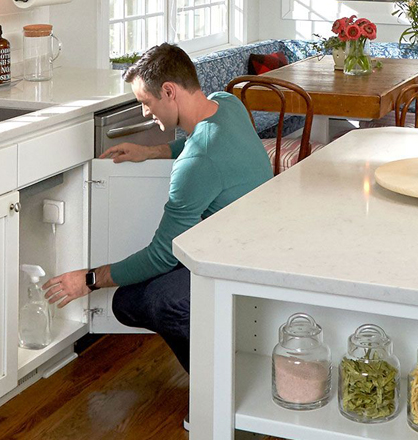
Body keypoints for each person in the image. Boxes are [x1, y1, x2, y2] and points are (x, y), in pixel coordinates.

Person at [43, 43, 273, 374]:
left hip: (240, 266)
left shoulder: (196, 163)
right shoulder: (227, 104)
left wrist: (89, 279)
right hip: (262, 242)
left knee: (151, 302)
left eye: (146, 102)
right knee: (134, 295)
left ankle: (219, 384)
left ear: (168, 91)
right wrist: (150, 152)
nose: (144, 113)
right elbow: (197, 142)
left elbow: (161, 256)